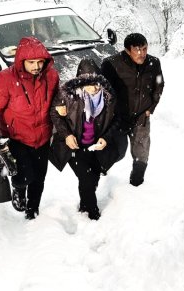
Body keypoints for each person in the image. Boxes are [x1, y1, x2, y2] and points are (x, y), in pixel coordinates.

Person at [0, 37, 60, 220]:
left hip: (42, 137)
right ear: (21, 61)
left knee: (39, 178)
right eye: (31, 62)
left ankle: (33, 209)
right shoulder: (4, 79)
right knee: (24, 176)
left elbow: (58, 101)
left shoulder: (52, 76)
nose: (36, 66)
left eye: (40, 62)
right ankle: (18, 189)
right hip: (17, 137)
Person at [49, 58, 128, 220]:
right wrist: (67, 134)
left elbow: (116, 119)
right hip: (76, 147)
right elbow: (54, 114)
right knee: (86, 178)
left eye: (96, 83)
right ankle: (91, 212)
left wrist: (105, 138)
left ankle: (85, 204)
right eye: (88, 83)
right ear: (80, 82)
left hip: (96, 146)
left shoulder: (108, 97)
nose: (94, 88)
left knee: (93, 177)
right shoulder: (68, 96)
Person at [99, 33, 165, 187]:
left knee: (141, 153)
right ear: (128, 50)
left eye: (144, 49)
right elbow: (103, 91)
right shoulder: (111, 64)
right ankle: (100, 169)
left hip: (141, 116)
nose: (142, 53)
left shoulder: (154, 63)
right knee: (117, 151)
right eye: (137, 50)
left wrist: (151, 108)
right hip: (118, 117)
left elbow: (159, 84)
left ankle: (137, 184)